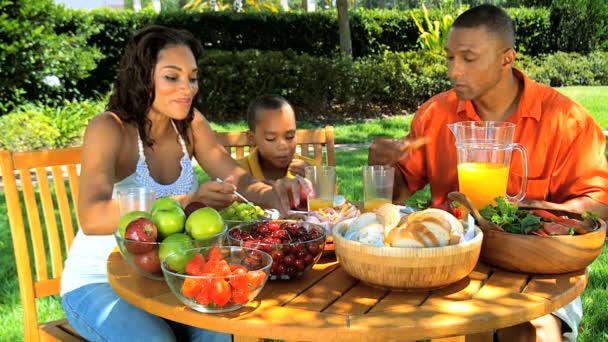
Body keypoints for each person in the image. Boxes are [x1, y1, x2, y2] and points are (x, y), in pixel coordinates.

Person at [368, 4, 608, 342]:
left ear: (506, 58)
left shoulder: (566, 120)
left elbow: (598, 203)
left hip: (536, 263)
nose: (454, 71)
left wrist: (539, 219)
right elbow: (397, 195)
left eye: (468, 58)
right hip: (454, 264)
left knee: (529, 329)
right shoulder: (437, 114)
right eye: (450, 58)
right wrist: (381, 166)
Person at [61, 25, 296, 341]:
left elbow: (235, 176)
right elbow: (92, 217)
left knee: (220, 332)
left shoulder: (190, 124)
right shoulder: (109, 128)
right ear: (143, 76)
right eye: (172, 77)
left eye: (193, 77)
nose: (187, 88)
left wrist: (273, 194)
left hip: (170, 278)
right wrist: (187, 202)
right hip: (99, 282)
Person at [237, 95, 320, 181]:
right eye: (271, 138)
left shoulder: (312, 170)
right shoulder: (238, 171)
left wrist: (315, 182)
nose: (283, 146)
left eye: (290, 136)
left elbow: (329, 193)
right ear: (251, 138)